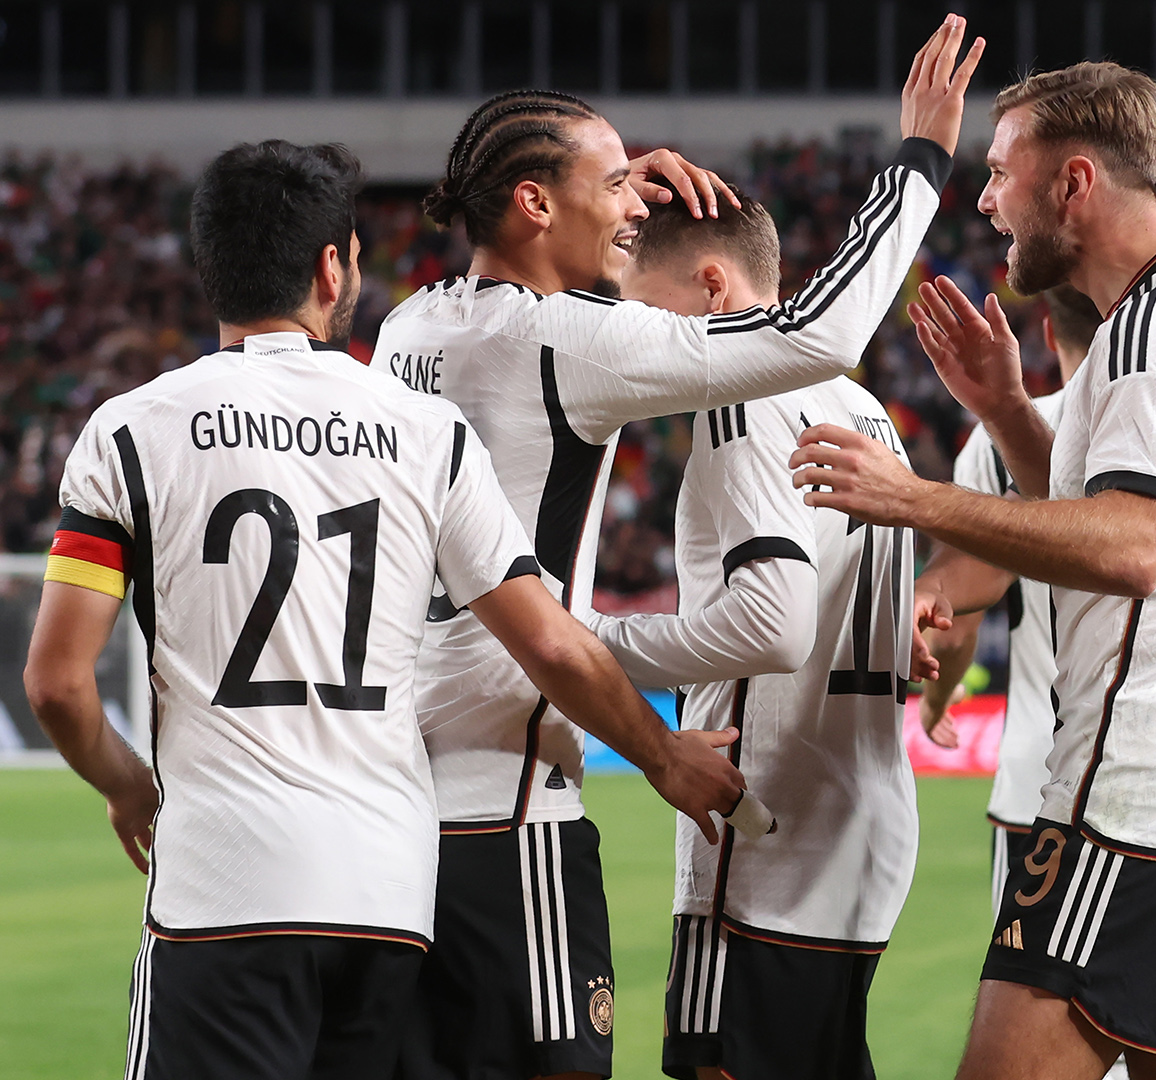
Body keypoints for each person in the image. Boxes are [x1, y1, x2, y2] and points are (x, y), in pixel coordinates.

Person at [21, 140, 741, 1080]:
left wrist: (126, 784)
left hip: (220, 890)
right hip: (387, 897)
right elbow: (552, 643)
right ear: (331, 267)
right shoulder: (423, 432)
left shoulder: (129, 431)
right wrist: (663, 753)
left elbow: (57, 685)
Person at [376, 17, 980, 1080]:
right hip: (516, 809)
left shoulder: (409, 329)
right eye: (613, 184)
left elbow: (528, 289)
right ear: (534, 202)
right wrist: (921, 160)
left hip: (394, 803)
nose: (631, 204)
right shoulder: (572, 342)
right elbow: (817, 337)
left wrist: (600, 194)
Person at [789, 62, 1156, 1078]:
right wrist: (1007, 414)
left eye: (996, 172)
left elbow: (1133, 548)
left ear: (1071, 183)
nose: (984, 200)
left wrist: (910, 498)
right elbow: (1154, 527)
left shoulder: (1155, 327)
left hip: (1138, 797)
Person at [583, 187, 920, 1080]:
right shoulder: (862, 407)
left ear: (711, 288)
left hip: (769, 826)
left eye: (645, 312)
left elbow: (774, 624)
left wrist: (592, 640)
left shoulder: (738, 402)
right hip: (865, 818)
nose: (636, 345)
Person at [912, 284, 1104, 916]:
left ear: (1048, 334)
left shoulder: (996, 440)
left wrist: (937, 702)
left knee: (1023, 1006)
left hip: (1037, 781)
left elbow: (956, 620)